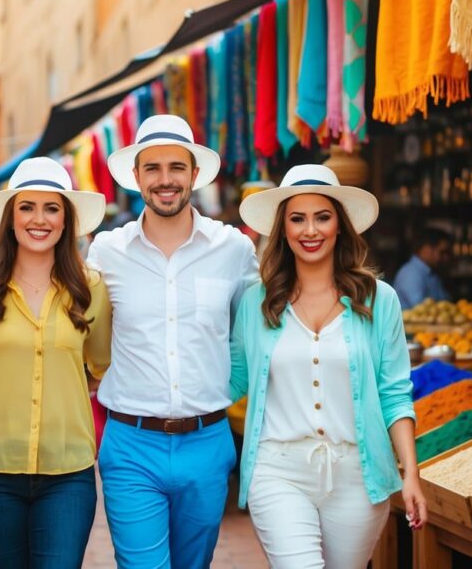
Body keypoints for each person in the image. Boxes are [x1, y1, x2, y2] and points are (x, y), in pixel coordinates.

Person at [231, 164, 426, 568]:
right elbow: (230, 379)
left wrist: (411, 473)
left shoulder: (379, 299)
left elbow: (394, 392)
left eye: (323, 217)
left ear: (341, 225)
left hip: (358, 473)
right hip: (278, 469)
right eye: (297, 219)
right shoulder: (255, 302)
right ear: (283, 229)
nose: (310, 230)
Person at [89, 114, 259, 568]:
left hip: (208, 441)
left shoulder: (234, 249)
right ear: (137, 177)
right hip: (130, 444)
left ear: (195, 174)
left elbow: (254, 333)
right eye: (153, 168)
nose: (165, 180)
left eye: (176, 168)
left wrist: (231, 389)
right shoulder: (106, 253)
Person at [0, 157, 110, 568]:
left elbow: (100, 365)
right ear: (10, 218)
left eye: (52, 208)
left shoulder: (91, 288)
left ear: (66, 221)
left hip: (69, 474)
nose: (38, 219)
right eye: (26, 207)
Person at [392, 227, 452, 309]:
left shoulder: (432, 273)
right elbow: (422, 309)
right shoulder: (410, 273)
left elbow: (446, 301)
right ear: (426, 249)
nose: (446, 258)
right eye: (442, 252)